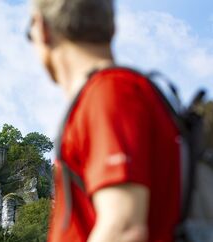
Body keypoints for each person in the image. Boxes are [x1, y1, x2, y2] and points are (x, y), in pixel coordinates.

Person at [27, 0, 181, 241]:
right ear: (111, 28)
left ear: (42, 28)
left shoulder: (109, 93)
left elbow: (123, 229)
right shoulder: (107, 95)